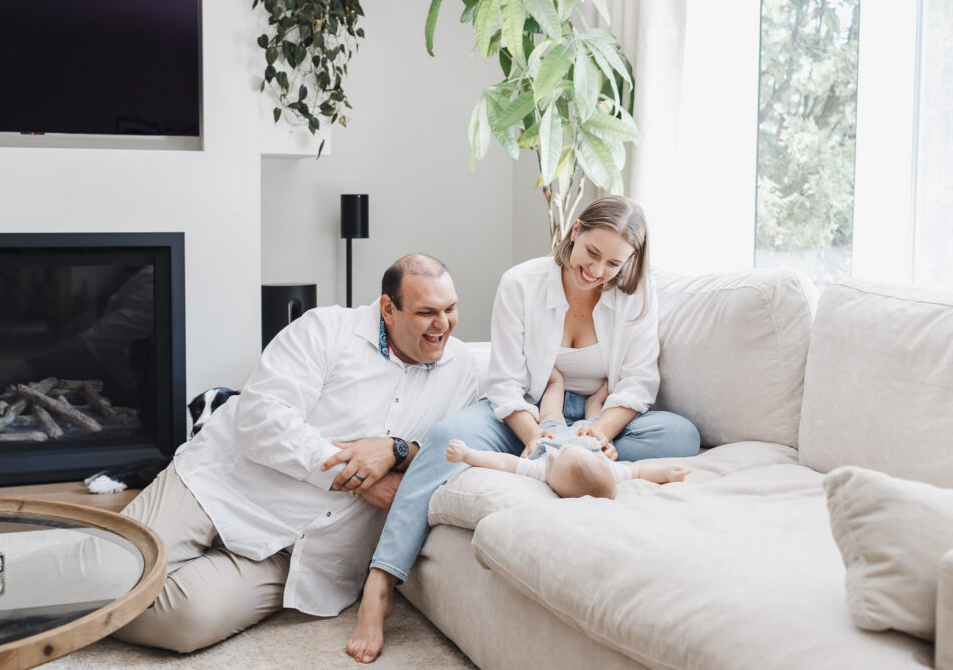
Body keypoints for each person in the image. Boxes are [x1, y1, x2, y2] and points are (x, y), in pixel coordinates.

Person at [348, 196, 701, 663]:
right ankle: (380, 584)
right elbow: (505, 384)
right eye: (592, 253)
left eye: (614, 263)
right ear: (575, 231)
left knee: (681, 436)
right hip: (526, 413)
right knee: (441, 438)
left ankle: (572, 462)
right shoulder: (521, 283)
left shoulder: (636, 294)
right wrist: (534, 434)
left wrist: (599, 434)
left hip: (598, 420)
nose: (597, 271)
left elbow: (638, 383)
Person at [113, 254, 478, 653]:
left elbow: (462, 442)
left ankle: (87, 609)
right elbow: (261, 419)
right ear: (389, 309)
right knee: (109, 571)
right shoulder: (326, 330)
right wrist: (355, 479)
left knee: (185, 620)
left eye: (450, 309)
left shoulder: (462, 370)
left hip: (298, 551)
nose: (442, 324)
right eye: (427, 312)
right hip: (219, 486)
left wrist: (396, 450)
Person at [444, 439, 690, 499]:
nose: (553, 452)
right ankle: (595, 401)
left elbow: (504, 462)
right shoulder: (609, 471)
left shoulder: (541, 469)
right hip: (589, 440)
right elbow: (639, 471)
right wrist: (666, 474)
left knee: (552, 413)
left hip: (550, 431)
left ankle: (556, 383)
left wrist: (468, 454)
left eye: (555, 458)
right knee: (591, 420)